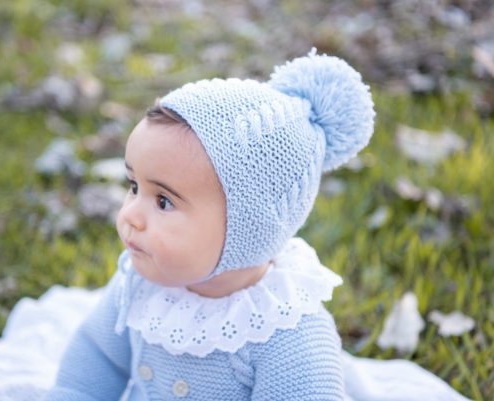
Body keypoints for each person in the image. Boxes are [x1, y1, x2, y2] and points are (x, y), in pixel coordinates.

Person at [45, 49, 374, 401]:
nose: (130, 215)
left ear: (246, 229)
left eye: (163, 202)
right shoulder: (142, 282)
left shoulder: (283, 330)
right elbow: (98, 353)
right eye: (134, 186)